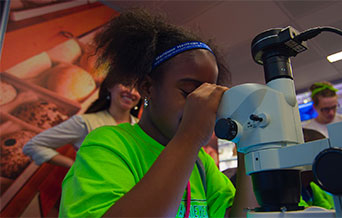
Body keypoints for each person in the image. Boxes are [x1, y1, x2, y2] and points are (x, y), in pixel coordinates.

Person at [59, 9, 258, 218]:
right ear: (147, 88)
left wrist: (248, 145)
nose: (200, 106)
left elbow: (242, 215)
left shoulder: (201, 162)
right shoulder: (107, 144)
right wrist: (190, 136)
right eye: (188, 93)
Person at [22, 76, 141, 168]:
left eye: (138, 88)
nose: (131, 91)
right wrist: (75, 166)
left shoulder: (142, 127)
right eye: (126, 84)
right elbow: (33, 146)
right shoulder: (86, 122)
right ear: (110, 86)